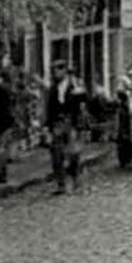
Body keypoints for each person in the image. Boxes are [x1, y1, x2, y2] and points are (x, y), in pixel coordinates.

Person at [45, 61, 87, 194]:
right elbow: (49, 108)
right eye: (53, 71)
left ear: (64, 71)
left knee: (73, 153)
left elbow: (83, 104)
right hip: (57, 123)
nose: (55, 73)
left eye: (57, 70)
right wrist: (48, 127)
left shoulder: (75, 85)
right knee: (56, 154)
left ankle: (75, 180)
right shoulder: (53, 88)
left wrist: (80, 123)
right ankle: (60, 184)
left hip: (71, 122)